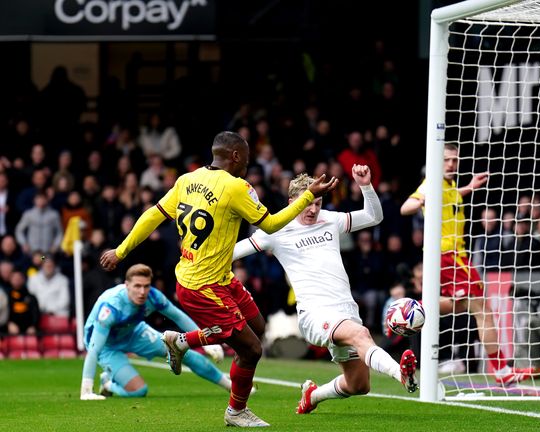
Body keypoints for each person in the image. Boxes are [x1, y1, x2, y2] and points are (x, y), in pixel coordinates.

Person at [99, 131, 337, 427]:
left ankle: (182, 341)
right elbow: (273, 225)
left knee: (256, 327)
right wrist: (308, 197)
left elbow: (152, 216)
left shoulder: (186, 180)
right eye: (247, 159)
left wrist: (121, 251)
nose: (248, 166)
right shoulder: (237, 187)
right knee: (251, 349)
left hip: (216, 278)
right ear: (235, 156)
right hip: (202, 287)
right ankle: (236, 411)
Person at [232, 164, 418, 415]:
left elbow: (374, 217)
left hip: (345, 310)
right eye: (307, 203)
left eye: (317, 203)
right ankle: (402, 374)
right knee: (361, 334)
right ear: (292, 202)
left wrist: (365, 186)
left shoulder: (329, 219)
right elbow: (233, 252)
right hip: (315, 313)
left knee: (358, 384)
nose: (313, 209)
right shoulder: (275, 230)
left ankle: (313, 395)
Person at [400, 143, 535, 385]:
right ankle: (502, 370)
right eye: (446, 160)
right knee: (482, 308)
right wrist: (421, 201)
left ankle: (409, 311)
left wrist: (469, 188)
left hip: (453, 255)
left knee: (467, 305)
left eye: (454, 160)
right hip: (448, 255)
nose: (451, 164)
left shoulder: (448, 186)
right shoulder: (431, 183)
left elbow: (449, 198)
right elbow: (406, 207)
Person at [79, 264, 231, 400]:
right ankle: (108, 384)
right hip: (106, 346)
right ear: (126, 285)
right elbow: (94, 349)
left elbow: (177, 316)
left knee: (182, 351)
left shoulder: (153, 296)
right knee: (139, 391)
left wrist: (204, 342)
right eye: (137, 286)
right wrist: (86, 390)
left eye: (146, 286)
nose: (142, 292)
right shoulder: (111, 307)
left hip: (134, 332)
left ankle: (230, 387)